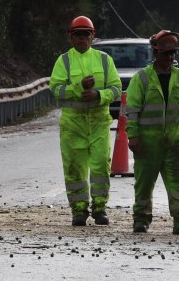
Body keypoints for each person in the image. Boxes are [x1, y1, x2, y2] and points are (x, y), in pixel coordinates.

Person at [49, 16, 121, 226]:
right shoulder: (64, 61)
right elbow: (56, 89)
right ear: (70, 37)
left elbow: (116, 88)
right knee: (75, 169)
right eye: (77, 34)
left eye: (85, 34)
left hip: (99, 124)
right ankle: (79, 211)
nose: (82, 39)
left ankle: (100, 209)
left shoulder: (104, 60)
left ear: (92, 35)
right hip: (73, 127)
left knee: (100, 167)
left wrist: (99, 95)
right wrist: (78, 87)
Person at [124, 30, 179, 235]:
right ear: (155, 53)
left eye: (173, 53)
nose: (170, 57)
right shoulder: (142, 79)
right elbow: (132, 110)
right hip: (148, 143)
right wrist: (133, 135)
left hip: (174, 142)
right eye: (166, 53)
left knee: (177, 183)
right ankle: (141, 219)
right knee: (145, 184)